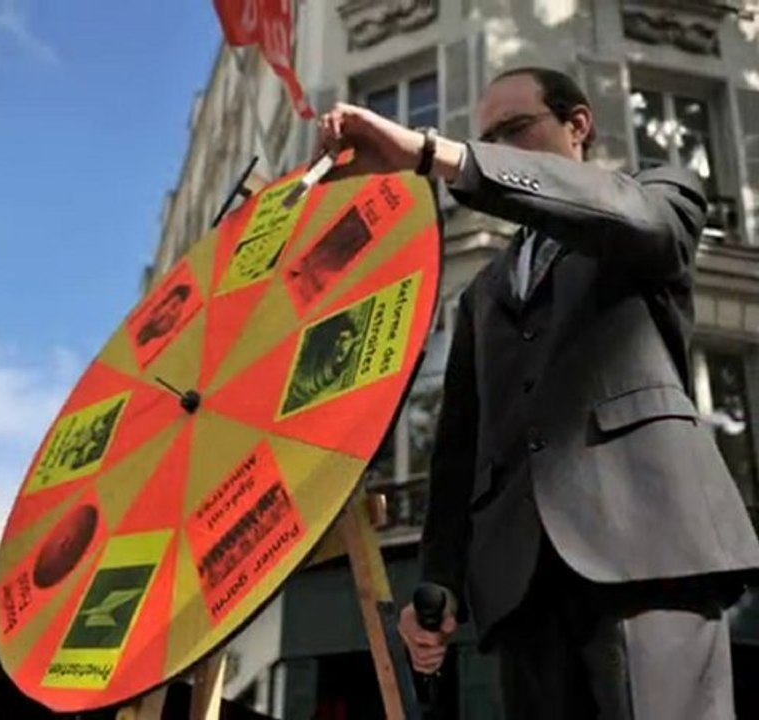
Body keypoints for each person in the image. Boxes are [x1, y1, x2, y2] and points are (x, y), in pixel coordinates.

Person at [315, 67, 759, 719]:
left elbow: (637, 221)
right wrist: (437, 582)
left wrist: (438, 153)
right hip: (521, 594)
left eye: (516, 129)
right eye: (488, 137)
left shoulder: (659, 194)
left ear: (578, 125)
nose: (499, 148)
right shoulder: (482, 296)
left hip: (647, 554)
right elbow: (457, 451)